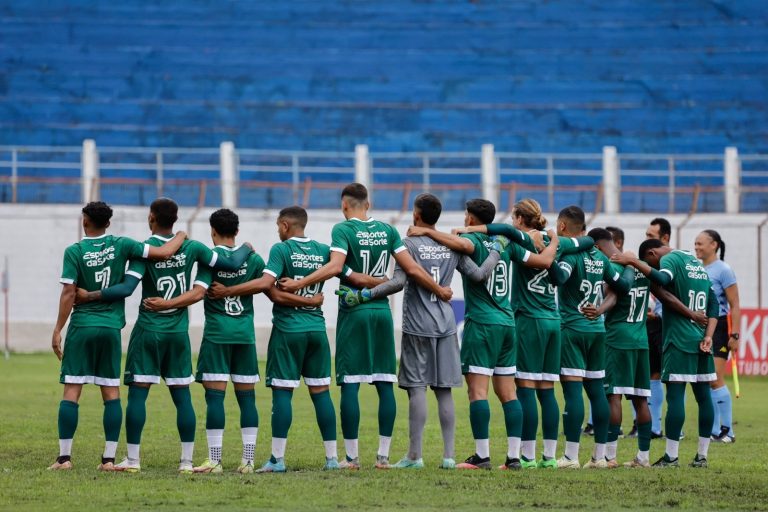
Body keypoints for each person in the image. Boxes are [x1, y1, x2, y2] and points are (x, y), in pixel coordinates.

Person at [278, 184, 452, 469]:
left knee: (350, 384)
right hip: (382, 312)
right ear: (367, 205)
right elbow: (411, 270)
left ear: (344, 206)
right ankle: (383, 457)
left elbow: (335, 267)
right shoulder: (388, 230)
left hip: (354, 310)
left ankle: (352, 457)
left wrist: (299, 283)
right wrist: (439, 289)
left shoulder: (343, 231)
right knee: (384, 383)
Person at [76, 197, 253, 473]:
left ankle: (133, 460)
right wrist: (246, 248)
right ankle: (186, 462)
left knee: (138, 396)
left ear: (151, 218)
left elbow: (125, 289)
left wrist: (90, 295)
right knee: (182, 397)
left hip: (149, 331)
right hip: (178, 333)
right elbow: (230, 265)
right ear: (176, 219)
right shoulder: (193, 247)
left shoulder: (144, 252)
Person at [337, 193, 501, 470]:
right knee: (444, 390)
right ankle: (449, 457)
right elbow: (478, 275)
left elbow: (398, 283)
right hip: (447, 324)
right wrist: (497, 250)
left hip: (417, 325)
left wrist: (365, 295)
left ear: (416, 215)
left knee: (416, 390)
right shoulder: (452, 246)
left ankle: (415, 456)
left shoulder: (408, 244)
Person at [141, 208, 308, 474]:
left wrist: (167, 304)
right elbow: (269, 288)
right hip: (244, 335)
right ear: (237, 231)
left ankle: (215, 461)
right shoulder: (252, 259)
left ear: (213, 231)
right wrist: (308, 299)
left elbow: (197, 293)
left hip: (217, 335)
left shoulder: (211, 260)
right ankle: (248, 461)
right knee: (247, 400)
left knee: (215, 399)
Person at [410, 198, 560, 470]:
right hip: (507, 323)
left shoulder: (474, 242)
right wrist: (554, 240)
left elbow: (461, 245)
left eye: (466, 215)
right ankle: (514, 458)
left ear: (470, 218)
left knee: (477, 392)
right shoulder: (508, 243)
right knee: (508, 393)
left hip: (482, 324)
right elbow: (542, 260)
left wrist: (428, 231)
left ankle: (482, 456)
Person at [452, 198, 593, 469]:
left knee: (512, 390)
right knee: (541, 391)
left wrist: (465, 231)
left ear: (518, 218)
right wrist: (553, 240)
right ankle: (541, 456)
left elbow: (501, 232)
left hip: (522, 320)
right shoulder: (554, 241)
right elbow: (587, 242)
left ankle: (515, 456)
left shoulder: (515, 239)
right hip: (550, 319)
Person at [207, 206, 350, 472]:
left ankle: (277, 459)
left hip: (288, 330)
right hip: (317, 329)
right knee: (321, 394)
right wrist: (311, 299)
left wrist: (227, 290)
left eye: (277, 225)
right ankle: (332, 459)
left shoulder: (280, 250)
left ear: (285, 225)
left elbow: (266, 286)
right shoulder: (322, 250)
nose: (276, 230)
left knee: (283, 394)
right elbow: (340, 271)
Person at [48, 201, 185, 470]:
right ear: (109, 223)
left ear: (84, 221)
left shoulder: (74, 251)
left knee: (72, 390)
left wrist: (57, 329)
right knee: (110, 392)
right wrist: (181, 235)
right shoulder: (123, 244)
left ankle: (64, 458)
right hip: (111, 328)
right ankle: (109, 459)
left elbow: (68, 293)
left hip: (82, 326)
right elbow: (164, 251)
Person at [612, 239, 719, 467]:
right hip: (703, 340)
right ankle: (702, 456)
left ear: (652, 253)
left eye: (651, 263)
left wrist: (633, 261)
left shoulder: (669, 259)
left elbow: (662, 279)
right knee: (704, 398)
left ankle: (671, 457)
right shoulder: (695, 262)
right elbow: (713, 304)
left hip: (679, 339)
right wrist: (709, 335)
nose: (655, 268)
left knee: (675, 397)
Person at [548, 207, 632, 469]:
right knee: (597, 392)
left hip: (573, 329)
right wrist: (629, 262)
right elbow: (624, 284)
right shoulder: (600, 256)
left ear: (562, 227)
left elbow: (559, 278)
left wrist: (550, 257)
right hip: (598, 330)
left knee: (573, 391)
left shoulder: (571, 254)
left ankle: (571, 457)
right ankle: (600, 457)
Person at [581, 228, 652, 468]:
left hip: (617, 338)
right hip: (640, 338)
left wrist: (599, 310)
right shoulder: (639, 265)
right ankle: (643, 457)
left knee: (613, 396)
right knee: (641, 399)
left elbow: (613, 296)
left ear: (598, 247)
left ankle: (610, 456)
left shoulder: (615, 266)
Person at [694, 230, 740, 443]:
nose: (697, 247)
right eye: (695, 244)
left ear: (714, 245)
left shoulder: (723, 270)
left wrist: (735, 335)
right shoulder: (697, 269)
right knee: (705, 378)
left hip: (720, 326)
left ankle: (727, 430)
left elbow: (735, 304)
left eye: (700, 243)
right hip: (702, 326)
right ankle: (713, 430)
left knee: (715, 378)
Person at [645, 217, 672, 438]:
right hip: (651, 325)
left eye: (651, 236)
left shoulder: (673, 262)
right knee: (653, 374)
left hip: (668, 326)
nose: (647, 239)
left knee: (672, 377)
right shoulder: (650, 261)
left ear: (665, 239)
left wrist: (660, 312)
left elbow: (673, 296)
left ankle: (677, 429)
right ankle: (653, 427)